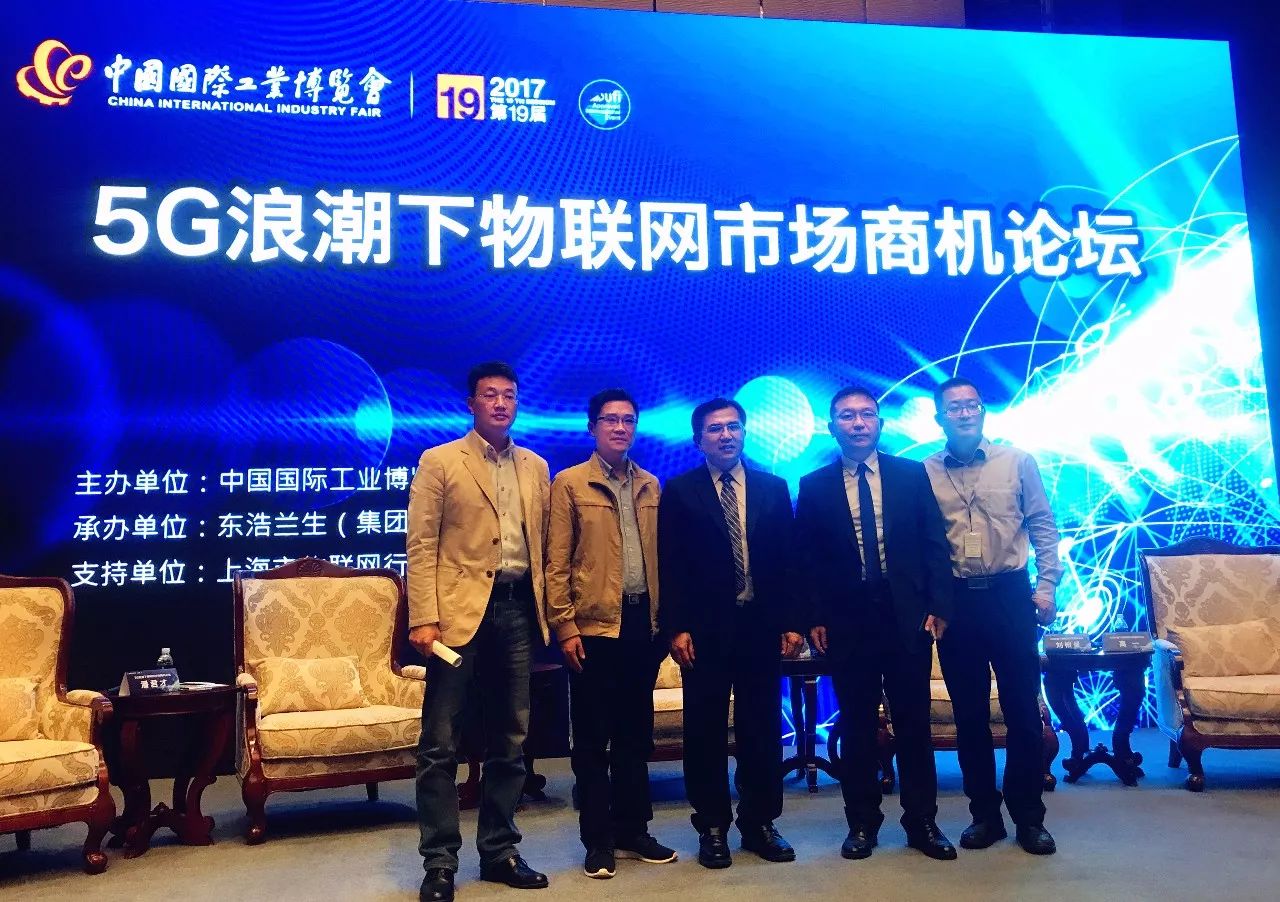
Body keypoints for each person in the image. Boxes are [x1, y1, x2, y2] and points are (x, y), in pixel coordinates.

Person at [406, 362, 552, 902]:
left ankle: (500, 851)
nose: (500, 403)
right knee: (440, 744)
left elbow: (545, 544)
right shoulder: (441, 460)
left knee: (511, 740)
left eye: (508, 395)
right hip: (455, 620)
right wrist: (423, 616)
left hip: (516, 612)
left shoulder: (536, 465)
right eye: (490, 395)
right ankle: (440, 862)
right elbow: (421, 542)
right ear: (472, 403)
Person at [796, 387, 956, 861]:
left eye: (867, 414)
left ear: (880, 424)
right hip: (848, 620)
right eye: (847, 416)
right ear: (832, 427)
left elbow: (934, 542)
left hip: (906, 615)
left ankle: (922, 822)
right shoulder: (814, 485)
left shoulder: (911, 475)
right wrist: (813, 617)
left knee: (913, 723)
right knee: (858, 726)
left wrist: (940, 604)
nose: (858, 423)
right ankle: (862, 823)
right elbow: (806, 560)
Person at [657, 397, 805, 869]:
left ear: (744, 432)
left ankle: (760, 823)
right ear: (698, 439)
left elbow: (788, 561)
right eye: (715, 429)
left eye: (734, 427)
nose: (726, 435)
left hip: (760, 625)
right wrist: (676, 626)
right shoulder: (680, 491)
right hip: (704, 630)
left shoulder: (773, 487)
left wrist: (793, 620)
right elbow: (670, 564)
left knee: (762, 728)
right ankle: (713, 826)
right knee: (704, 730)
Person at [923, 377, 1061, 856]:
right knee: (970, 717)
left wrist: (1048, 586)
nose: (964, 413)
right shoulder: (925, 472)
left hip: (1010, 596)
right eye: (954, 407)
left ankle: (1029, 817)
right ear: (939, 417)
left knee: (1023, 712)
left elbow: (1043, 524)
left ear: (982, 411)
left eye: (972, 405)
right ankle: (984, 815)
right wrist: (932, 604)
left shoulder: (1017, 461)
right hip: (956, 604)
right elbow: (922, 545)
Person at [544, 388, 677, 880]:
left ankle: (633, 830)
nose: (620, 428)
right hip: (593, 627)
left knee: (634, 737)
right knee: (592, 740)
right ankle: (597, 840)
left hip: (643, 625)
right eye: (610, 420)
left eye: (628, 420)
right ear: (592, 428)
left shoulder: (651, 484)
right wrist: (564, 625)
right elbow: (556, 562)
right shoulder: (570, 483)